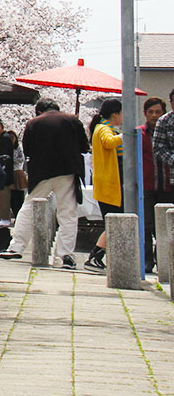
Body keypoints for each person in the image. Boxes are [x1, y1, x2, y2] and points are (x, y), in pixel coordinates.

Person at [0, 98, 89, 269]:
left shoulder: (33, 123)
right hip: (67, 171)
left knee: (29, 207)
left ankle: (16, 247)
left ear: (39, 111)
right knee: (68, 213)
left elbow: (28, 150)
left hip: (42, 172)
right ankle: (66, 255)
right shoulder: (72, 120)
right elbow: (84, 147)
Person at [84, 99, 123, 271]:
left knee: (115, 222)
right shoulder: (103, 129)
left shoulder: (104, 128)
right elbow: (109, 142)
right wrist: (126, 135)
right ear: (115, 114)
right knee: (115, 222)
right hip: (109, 184)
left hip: (109, 183)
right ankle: (95, 255)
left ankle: (98, 255)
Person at [139, 97, 174, 274]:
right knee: (146, 225)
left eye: (157, 111)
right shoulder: (139, 133)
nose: (153, 115)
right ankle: (146, 262)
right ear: (144, 114)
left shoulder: (168, 128)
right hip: (147, 185)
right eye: (150, 112)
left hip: (167, 184)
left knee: (163, 226)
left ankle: (162, 260)